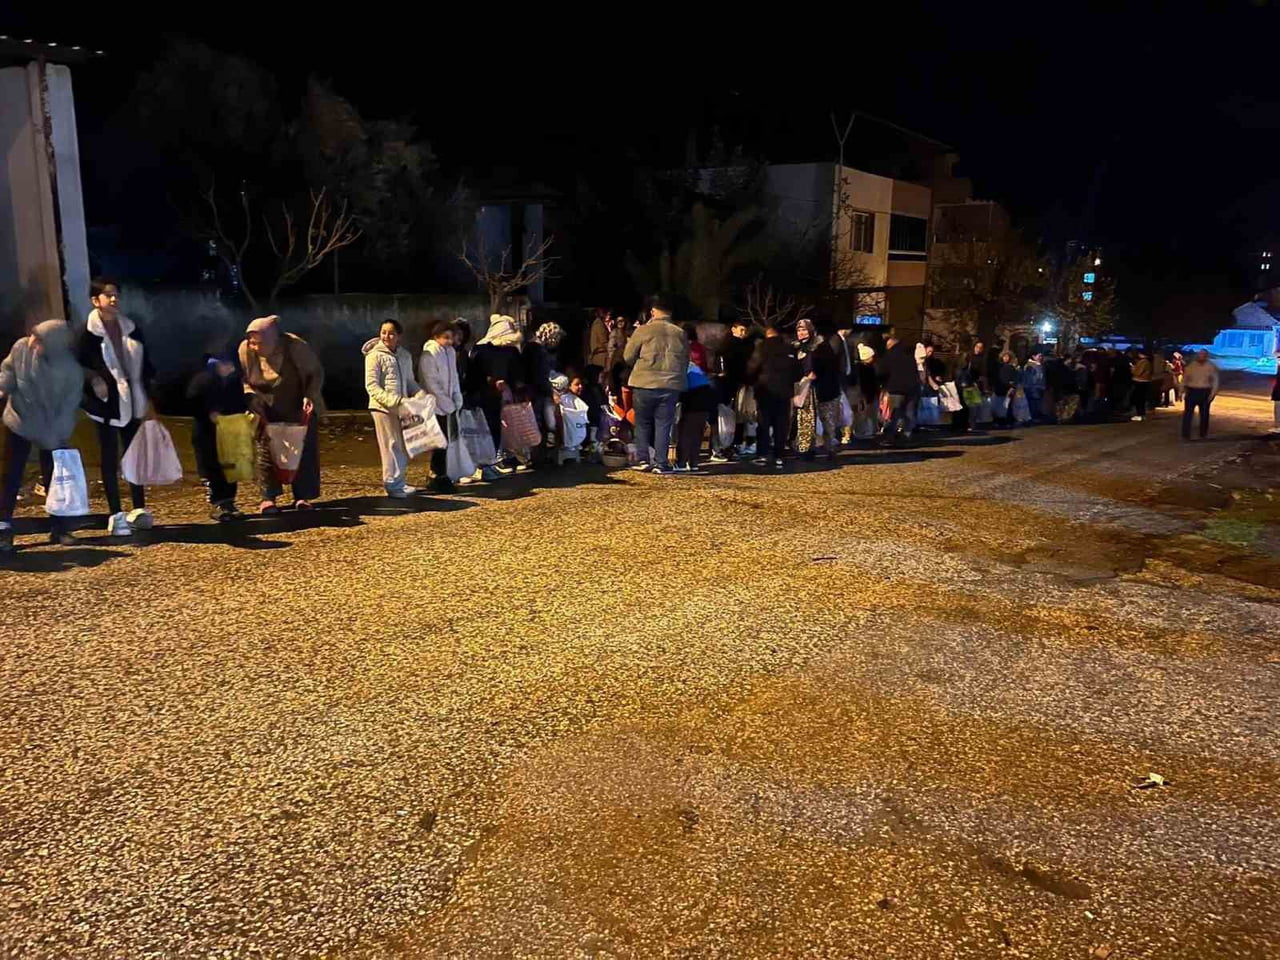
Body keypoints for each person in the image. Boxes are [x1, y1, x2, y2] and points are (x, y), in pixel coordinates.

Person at [79, 277, 155, 536]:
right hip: (105, 405)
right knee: (109, 456)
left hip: (132, 400)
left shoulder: (131, 328)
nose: (114, 299)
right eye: (108, 295)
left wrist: (149, 396)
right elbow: (77, 365)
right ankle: (116, 512)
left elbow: (146, 366)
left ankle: (139, 507)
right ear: (95, 300)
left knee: (134, 454)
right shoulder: (86, 333)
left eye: (117, 295)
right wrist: (93, 379)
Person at [0, 320, 84, 551]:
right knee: (10, 474)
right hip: (20, 419)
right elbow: (8, 370)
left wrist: (55, 437)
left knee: (55, 478)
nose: (32, 342)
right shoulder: (21, 348)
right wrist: (3, 387)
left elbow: (68, 408)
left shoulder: (71, 372)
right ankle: (3, 525)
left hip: (51, 428)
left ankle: (60, 527)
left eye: (39, 340)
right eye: (33, 336)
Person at [240, 315, 325, 513]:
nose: (254, 346)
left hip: (297, 404)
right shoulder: (245, 350)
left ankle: (302, 496)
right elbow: (243, 379)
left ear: (273, 340)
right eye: (252, 342)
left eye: (259, 343)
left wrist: (310, 395)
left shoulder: (295, 346)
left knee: (302, 450)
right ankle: (268, 497)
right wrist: (250, 396)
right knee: (265, 451)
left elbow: (315, 373)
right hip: (265, 407)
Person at [623, 294, 688, 475]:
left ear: (652, 312)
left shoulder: (643, 331)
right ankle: (661, 463)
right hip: (670, 384)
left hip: (644, 382)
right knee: (663, 424)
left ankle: (643, 459)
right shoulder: (680, 333)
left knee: (642, 423)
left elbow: (628, 357)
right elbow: (685, 360)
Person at [362, 319, 423, 498]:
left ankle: (399, 481)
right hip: (382, 408)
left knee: (401, 445)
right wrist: (394, 401)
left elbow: (410, 381)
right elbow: (372, 386)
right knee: (390, 445)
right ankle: (392, 484)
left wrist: (420, 395)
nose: (386, 336)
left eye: (391, 333)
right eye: (383, 332)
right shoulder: (374, 355)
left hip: (402, 407)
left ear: (399, 336)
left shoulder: (404, 355)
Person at [187, 350, 248, 521]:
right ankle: (217, 504)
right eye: (225, 364)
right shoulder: (202, 380)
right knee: (211, 468)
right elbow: (192, 401)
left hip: (228, 431)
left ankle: (229, 502)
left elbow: (239, 401)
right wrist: (209, 412)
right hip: (207, 433)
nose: (229, 368)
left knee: (230, 468)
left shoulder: (233, 381)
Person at [466, 314, 526, 468]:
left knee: (508, 426)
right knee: (489, 427)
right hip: (485, 395)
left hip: (505, 394)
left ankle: (507, 456)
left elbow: (516, 371)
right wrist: (491, 381)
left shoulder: (510, 350)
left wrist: (514, 386)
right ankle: (491, 460)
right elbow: (473, 374)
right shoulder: (481, 350)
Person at [418, 318, 467, 492]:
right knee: (439, 441)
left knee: (447, 441)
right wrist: (446, 403)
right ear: (436, 336)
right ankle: (436, 474)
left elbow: (454, 377)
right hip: (434, 404)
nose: (449, 341)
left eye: (451, 337)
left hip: (448, 405)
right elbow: (431, 382)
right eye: (446, 337)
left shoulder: (450, 352)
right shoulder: (429, 354)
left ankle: (443, 473)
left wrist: (456, 397)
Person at [745, 323, 799, 469]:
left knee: (764, 423)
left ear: (767, 333)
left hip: (765, 390)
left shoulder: (762, 347)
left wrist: (751, 381)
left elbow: (752, 367)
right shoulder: (789, 348)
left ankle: (762, 454)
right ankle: (779, 455)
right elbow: (798, 371)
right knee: (781, 424)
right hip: (784, 391)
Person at [794, 318, 841, 459]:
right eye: (799, 330)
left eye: (804, 330)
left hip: (825, 389)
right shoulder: (797, 347)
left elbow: (829, 366)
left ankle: (830, 447)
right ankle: (806, 448)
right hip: (805, 390)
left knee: (828, 421)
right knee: (805, 420)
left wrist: (815, 372)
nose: (801, 333)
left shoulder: (821, 346)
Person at [876, 334, 920, 443]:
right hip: (912, 387)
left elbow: (882, 371)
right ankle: (907, 435)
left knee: (895, 414)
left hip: (896, 388)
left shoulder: (890, 355)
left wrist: (882, 384)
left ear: (890, 344)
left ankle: (891, 436)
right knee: (909, 413)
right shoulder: (909, 353)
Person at [676, 357, 716, 472]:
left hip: (692, 400)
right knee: (697, 434)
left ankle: (681, 463)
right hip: (706, 400)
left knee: (686, 433)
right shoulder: (693, 366)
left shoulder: (680, 366)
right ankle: (694, 463)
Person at [1181, 349, 1220, 440]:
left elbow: (1215, 381)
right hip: (1192, 391)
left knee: (1204, 414)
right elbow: (1185, 379)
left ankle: (1203, 433)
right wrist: (1181, 390)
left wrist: (1212, 394)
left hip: (1204, 392)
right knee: (1188, 414)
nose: (1201, 356)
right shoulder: (1191, 366)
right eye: (1200, 354)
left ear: (1206, 356)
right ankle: (1185, 434)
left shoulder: (1211, 366)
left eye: (1203, 355)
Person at [1130, 349, 1153, 422]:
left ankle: (1140, 414)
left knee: (1139, 399)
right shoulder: (1147, 362)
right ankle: (1141, 414)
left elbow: (1138, 372)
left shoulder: (1143, 362)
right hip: (1144, 381)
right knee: (1141, 399)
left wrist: (1132, 368)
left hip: (1140, 381)